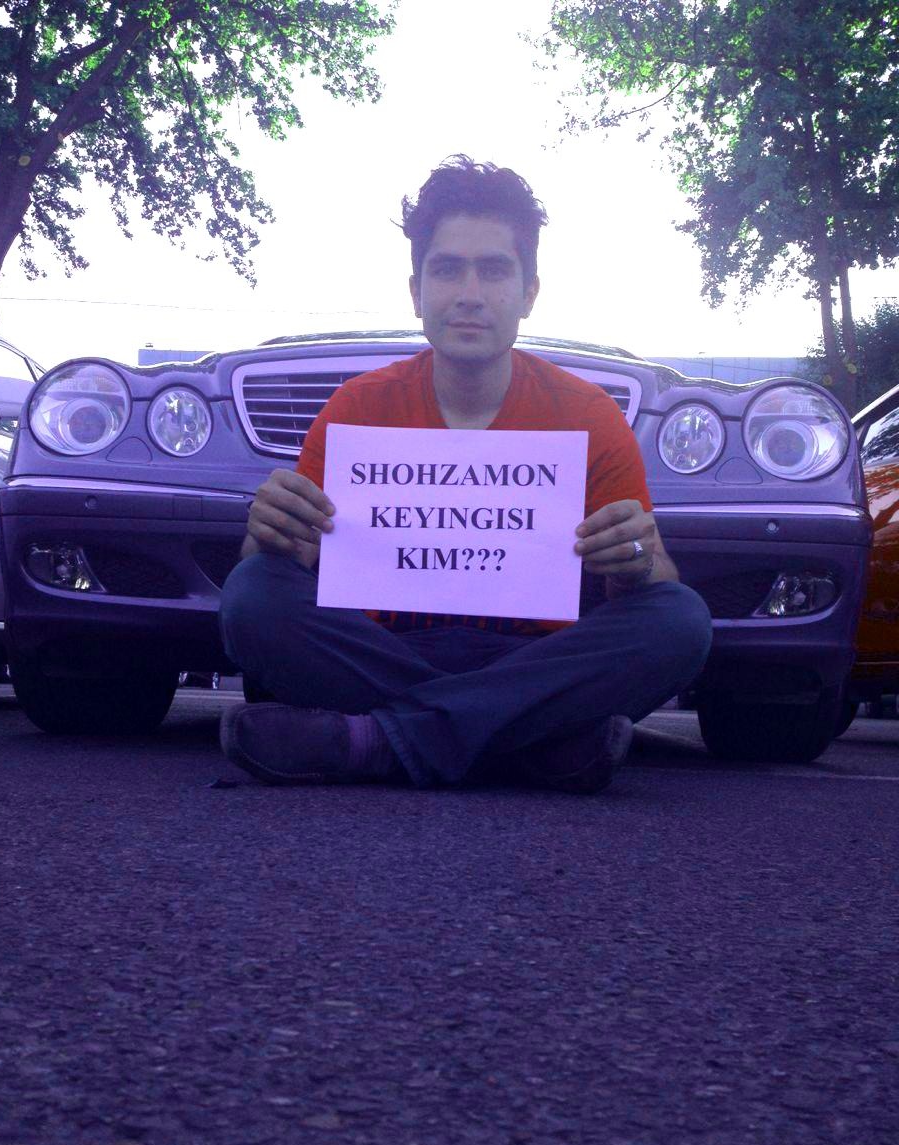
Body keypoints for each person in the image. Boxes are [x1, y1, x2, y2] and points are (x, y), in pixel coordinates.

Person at [219, 156, 712, 792]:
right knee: (252, 593)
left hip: (533, 656)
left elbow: (652, 580)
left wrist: (638, 560)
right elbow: (282, 569)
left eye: (495, 270)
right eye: (448, 269)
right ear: (416, 291)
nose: (470, 294)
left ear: (530, 293)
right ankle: (532, 742)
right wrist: (269, 534)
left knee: (678, 619)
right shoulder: (356, 408)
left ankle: (369, 741)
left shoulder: (588, 416)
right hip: (383, 650)